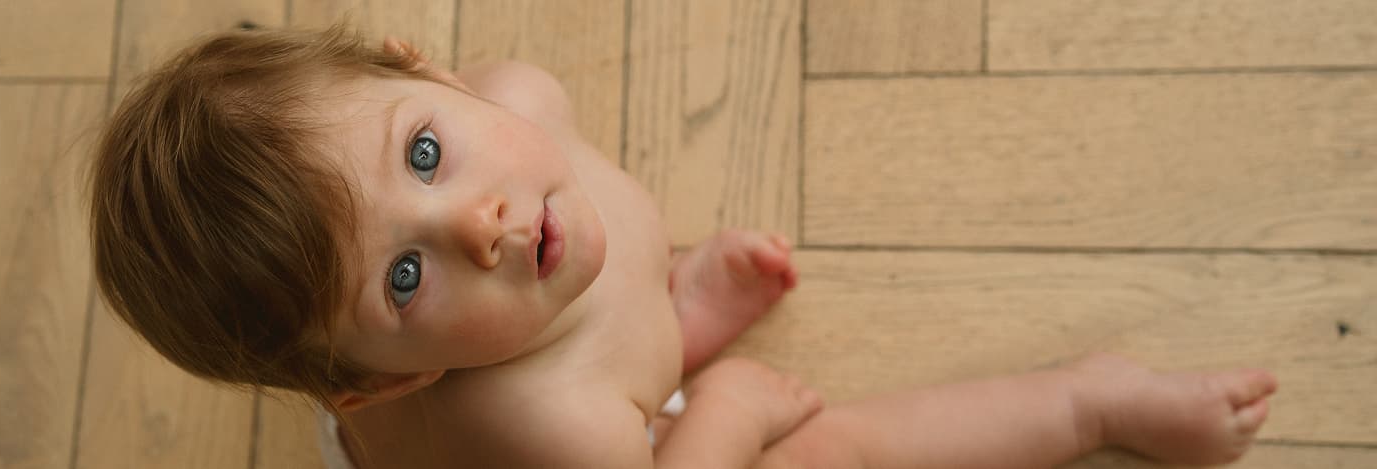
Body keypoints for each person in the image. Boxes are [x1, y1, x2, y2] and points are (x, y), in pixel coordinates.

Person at [89, 25, 1277, 469]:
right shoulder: (549, 431)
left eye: (426, 154)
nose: (480, 223)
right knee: (836, 451)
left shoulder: (522, 99)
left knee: (610, 299)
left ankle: (671, 316)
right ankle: (1091, 408)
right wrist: (733, 410)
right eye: (406, 276)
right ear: (391, 380)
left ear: (424, 68)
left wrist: (664, 308)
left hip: (607, 376)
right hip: (630, 440)